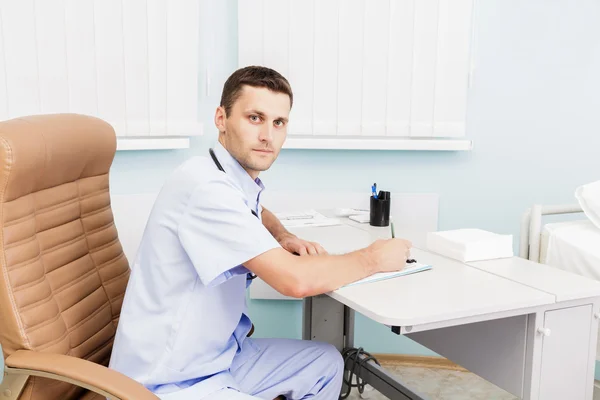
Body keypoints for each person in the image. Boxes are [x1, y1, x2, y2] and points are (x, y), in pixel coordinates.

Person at [109, 66, 412, 400]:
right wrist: (373, 259)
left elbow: (258, 212)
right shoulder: (204, 188)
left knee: (324, 363)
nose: (268, 135)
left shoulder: (223, 175)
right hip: (168, 382)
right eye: (255, 118)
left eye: (278, 122)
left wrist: (281, 236)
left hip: (221, 359)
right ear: (221, 119)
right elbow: (294, 281)